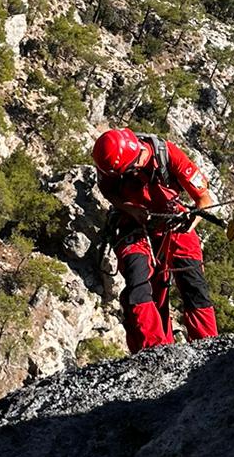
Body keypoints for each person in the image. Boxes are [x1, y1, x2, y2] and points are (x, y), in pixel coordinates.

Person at [92, 127, 220, 354]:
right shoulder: (111, 163)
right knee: (138, 282)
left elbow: (203, 198)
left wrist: (193, 220)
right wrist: (129, 207)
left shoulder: (168, 155)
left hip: (174, 220)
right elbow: (108, 191)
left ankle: (208, 347)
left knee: (193, 282)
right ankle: (154, 352)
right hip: (132, 222)